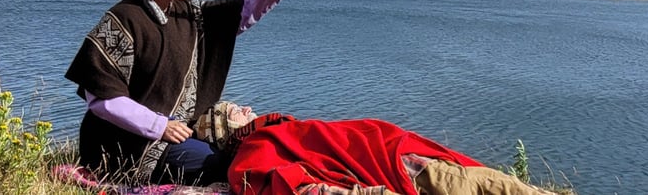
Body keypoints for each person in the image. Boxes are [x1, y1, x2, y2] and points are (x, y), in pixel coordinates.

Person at [65, 0, 312, 185]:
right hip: (127, 143)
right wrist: (159, 126)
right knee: (224, 168)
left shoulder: (190, 14)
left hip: (176, 133)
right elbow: (101, 99)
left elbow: (246, 9)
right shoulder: (122, 20)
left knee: (251, 151)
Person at [196, 101, 559, 195]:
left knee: (498, 184)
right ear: (228, 132)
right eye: (231, 112)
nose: (243, 108)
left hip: (398, 153)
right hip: (402, 169)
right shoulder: (251, 154)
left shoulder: (274, 129)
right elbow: (293, 187)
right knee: (491, 187)